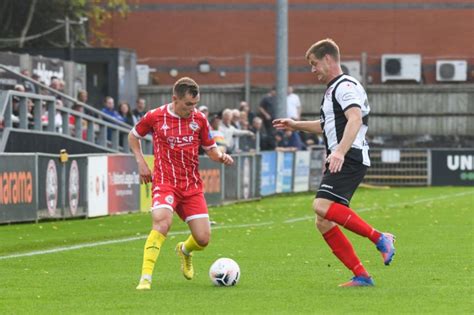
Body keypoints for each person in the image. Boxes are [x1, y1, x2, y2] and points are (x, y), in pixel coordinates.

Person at [273, 38, 395, 287]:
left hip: (349, 157)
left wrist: (339, 152)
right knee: (323, 220)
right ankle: (362, 275)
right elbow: (327, 126)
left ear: (328, 59)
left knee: (321, 205)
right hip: (344, 156)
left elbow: (354, 118)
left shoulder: (344, 85)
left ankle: (380, 238)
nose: (313, 70)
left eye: (314, 63)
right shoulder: (333, 90)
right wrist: (296, 125)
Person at [129, 77, 234, 290]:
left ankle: (184, 250)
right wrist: (141, 163)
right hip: (165, 182)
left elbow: (211, 151)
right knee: (161, 222)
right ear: (174, 98)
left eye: (195, 104)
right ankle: (145, 278)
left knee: (203, 239)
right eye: (188, 104)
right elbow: (133, 137)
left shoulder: (200, 120)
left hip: (191, 186)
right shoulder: (155, 116)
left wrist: (222, 156)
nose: (191, 109)